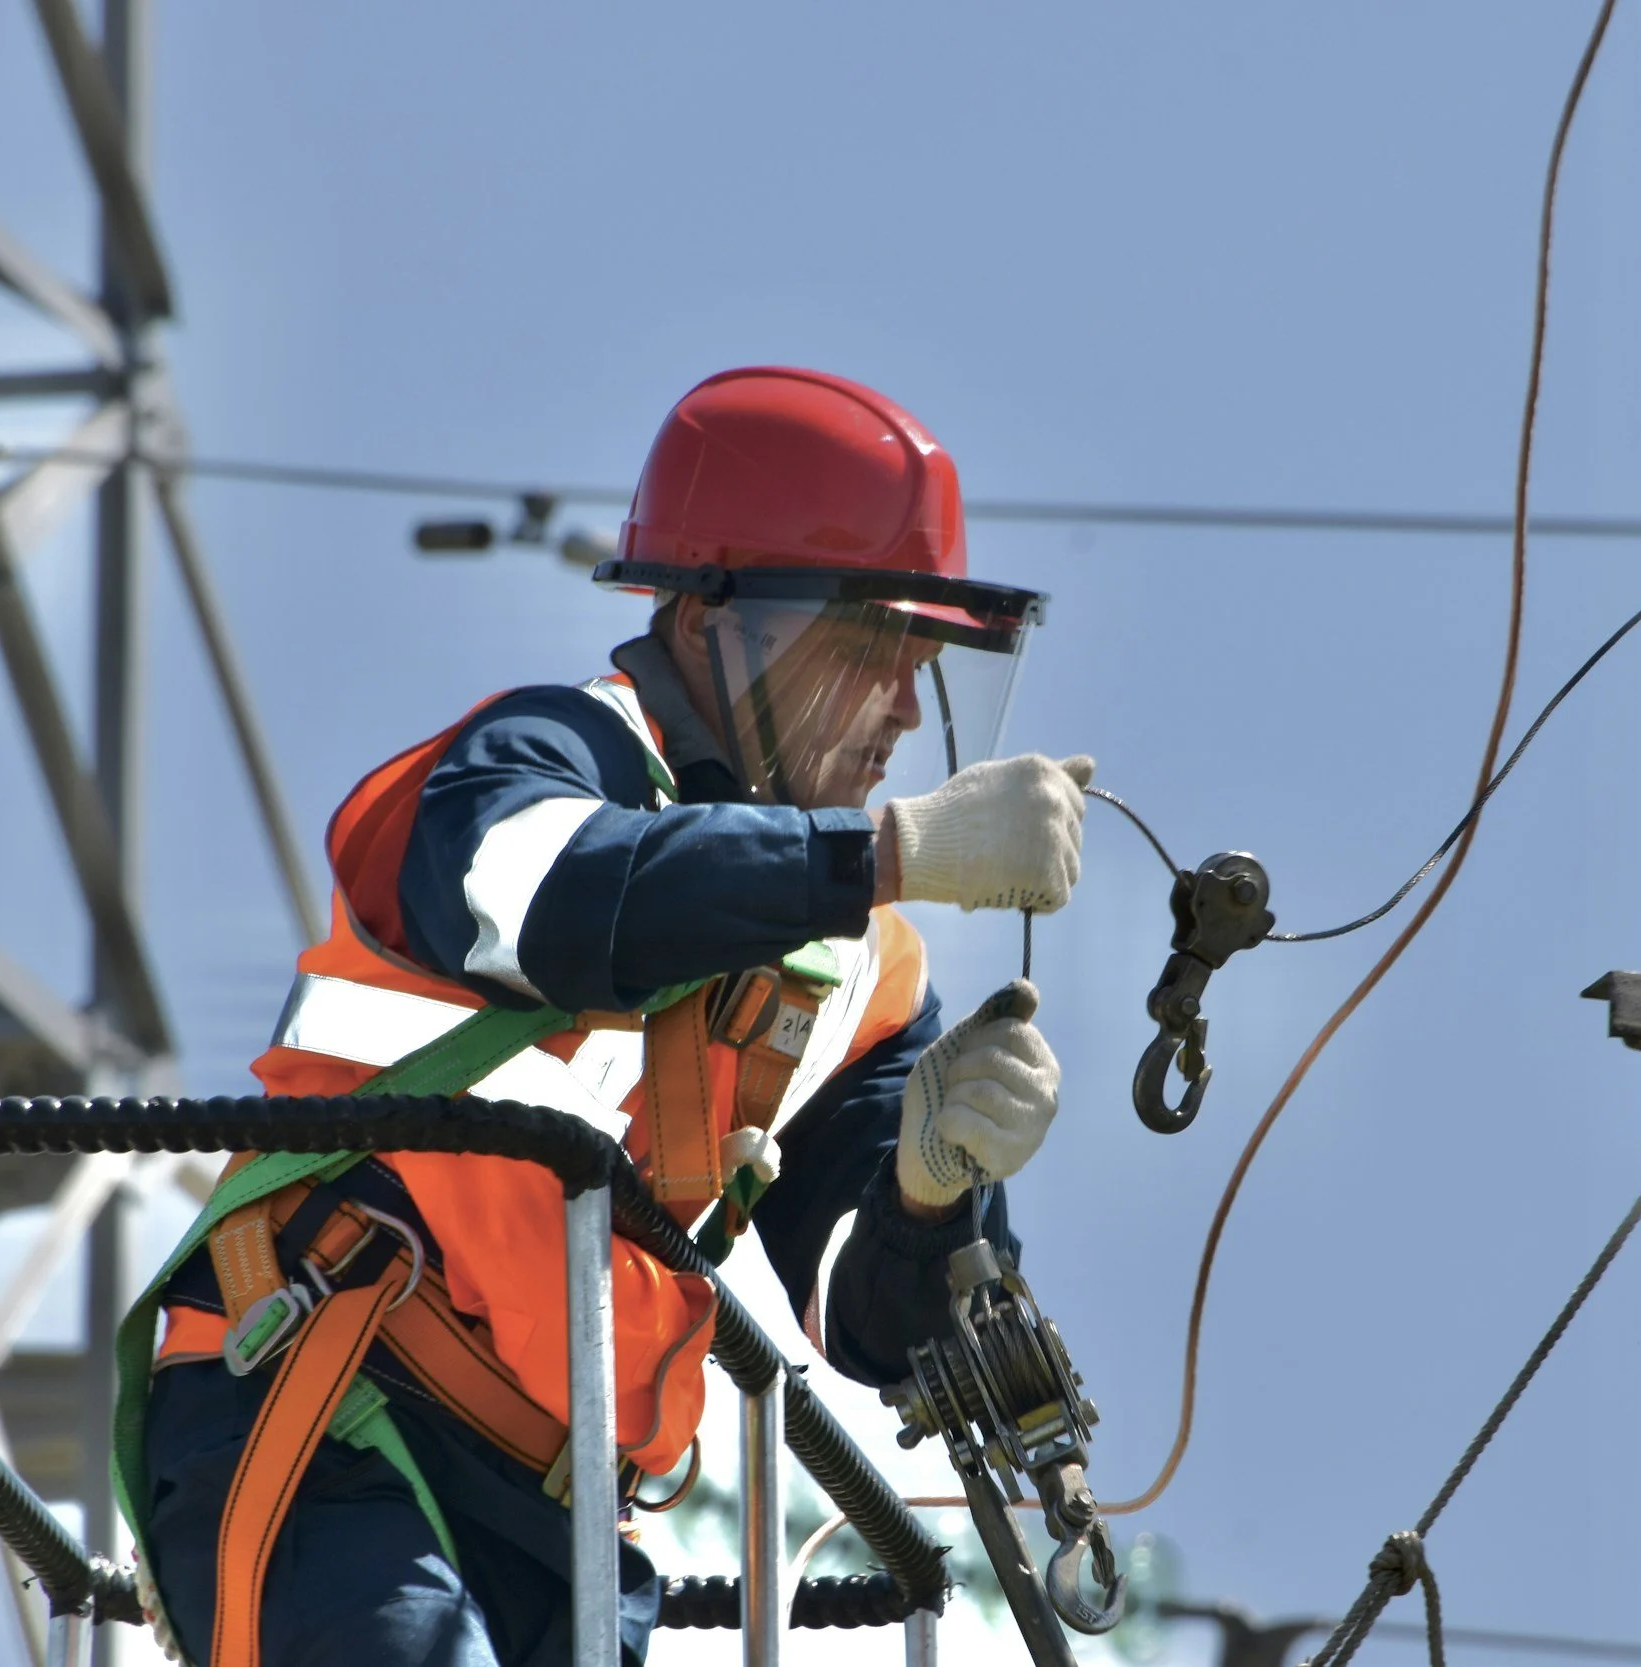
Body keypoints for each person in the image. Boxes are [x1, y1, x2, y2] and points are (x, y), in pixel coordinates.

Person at [119, 366, 1092, 1667]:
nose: (907, 707)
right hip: (337, 1399)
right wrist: (882, 852)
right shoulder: (541, 761)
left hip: (558, 1523)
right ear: (710, 623)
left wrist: (932, 1186)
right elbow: (558, 906)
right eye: (868, 648)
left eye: (925, 659)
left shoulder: (861, 974)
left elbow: (876, 1321)